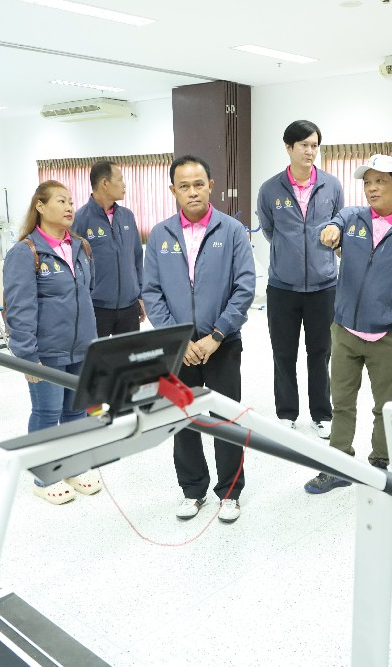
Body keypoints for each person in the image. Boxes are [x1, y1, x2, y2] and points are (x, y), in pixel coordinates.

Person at [304, 155, 392, 495]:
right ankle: (338, 466)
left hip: (387, 335)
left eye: (380, 181)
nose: (372, 188)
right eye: (367, 182)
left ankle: (379, 463)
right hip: (345, 330)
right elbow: (327, 229)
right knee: (341, 403)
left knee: (385, 407)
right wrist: (330, 230)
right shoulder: (353, 218)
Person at [143, 155, 255, 523]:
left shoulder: (232, 230)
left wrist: (217, 335)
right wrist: (178, 339)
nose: (192, 192)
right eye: (184, 186)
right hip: (178, 347)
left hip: (223, 342)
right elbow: (152, 292)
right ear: (173, 190)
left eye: (198, 184)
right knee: (182, 419)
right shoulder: (160, 234)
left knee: (226, 419)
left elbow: (244, 286)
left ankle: (230, 492)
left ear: (211, 186)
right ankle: (193, 490)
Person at [3, 180, 102, 505]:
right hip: (45, 351)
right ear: (41, 207)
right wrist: (27, 356)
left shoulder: (80, 246)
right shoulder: (25, 252)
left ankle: (72, 467)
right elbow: (19, 308)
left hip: (82, 348)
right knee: (47, 412)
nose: (70, 207)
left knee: (76, 412)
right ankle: (44, 476)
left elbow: (86, 295)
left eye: (71, 201)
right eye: (61, 201)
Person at [256, 120, 344, 439]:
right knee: (283, 352)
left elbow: (339, 221)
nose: (310, 151)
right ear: (289, 147)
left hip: (323, 286)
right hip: (283, 287)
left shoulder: (331, 185)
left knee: (320, 353)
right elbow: (269, 230)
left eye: (314, 145)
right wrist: (290, 251)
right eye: (304, 145)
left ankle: (321, 414)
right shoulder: (270, 189)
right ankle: (286, 412)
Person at [72, 160, 145, 337]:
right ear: (105, 183)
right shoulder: (80, 219)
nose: (124, 185)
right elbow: (73, 265)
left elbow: (137, 256)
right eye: (120, 179)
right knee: (98, 355)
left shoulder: (127, 216)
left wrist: (141, 295)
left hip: (129, 307)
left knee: (130, 354)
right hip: (97, 308)